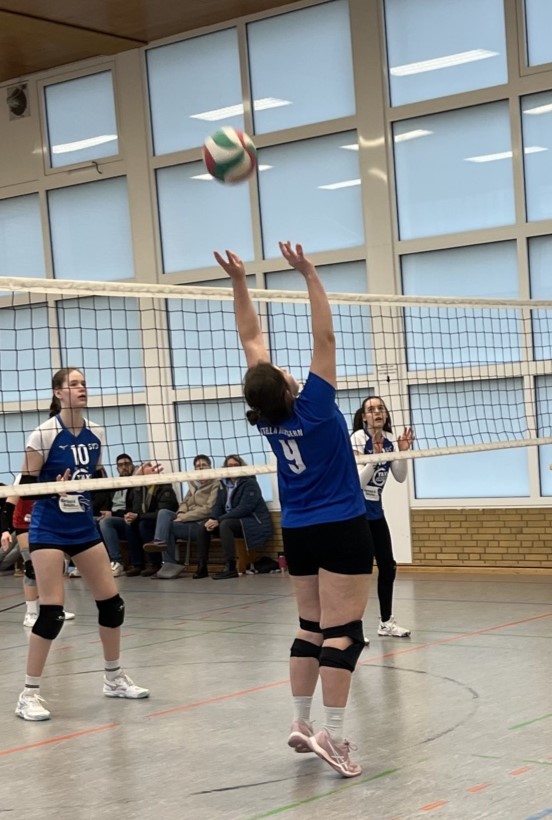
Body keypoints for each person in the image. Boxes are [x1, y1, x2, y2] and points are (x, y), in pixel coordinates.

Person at [214, 241, 372, 777]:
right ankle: (335, 735)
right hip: (342, 526)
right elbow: (324, 337)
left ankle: (302, 722)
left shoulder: (266, 416)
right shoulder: (317, 406)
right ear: (287, 385)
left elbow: (249, 337)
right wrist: (309, 274)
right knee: (344, 631)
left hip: (299, 529)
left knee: (310, 626)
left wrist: (239, 281)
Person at [14, 367, 149, 721]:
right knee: (51, 613)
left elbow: (97, 483)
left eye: (83, 384)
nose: (81, 389)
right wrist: (52, 489)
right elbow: (24, 488)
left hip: (82, 527)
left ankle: (113, 678)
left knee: (113, 605)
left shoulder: (96, 433)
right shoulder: (44, 434)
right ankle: (28, 694)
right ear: (58, 393)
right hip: (48, 529)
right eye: (73, 384)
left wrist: (137, 478)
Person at [350, 397, 414, 639]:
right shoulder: (357, 438)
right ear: (364, 416)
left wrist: (402, 452)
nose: (377, 412)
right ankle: (352, 628)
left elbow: (399, 476)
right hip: (355, 514)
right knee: (360, 570)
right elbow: (357, 483)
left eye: (380, 409)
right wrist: (374, 458)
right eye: (371, 409)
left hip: (376, 512)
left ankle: (386, 622)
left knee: (388, 565)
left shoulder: (389, 440)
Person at [1, 493, 75, 626]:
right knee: (32, 569)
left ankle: (56, 609)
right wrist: (5, 530)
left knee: (55, 567)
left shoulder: (51, 480)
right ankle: (31, 613)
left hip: (48, 524)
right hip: (25, 525)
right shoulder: (21, 481)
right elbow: (9, 506)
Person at [195, 454, 273, 580]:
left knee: (226, 525)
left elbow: (244, 508)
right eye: (230, 465)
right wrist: (213, 519)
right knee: (204, 525)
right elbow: (218, 505)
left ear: (241, 467)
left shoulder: (250, 483)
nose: (233, 468)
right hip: (230, 520)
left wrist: (219, 520)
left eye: (236, 465)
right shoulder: (223, 484)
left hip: (252, 522)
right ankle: (202, 567)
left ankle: (231, 567)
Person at [144, 454, 219, 579]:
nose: (200, 468)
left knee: (168, 527)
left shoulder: (216, 484)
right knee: (164, 513)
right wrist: (180, 513)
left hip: (200, 525)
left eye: (204, 465)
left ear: (210, 467)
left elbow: (208, 509)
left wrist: (183, 518)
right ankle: (159, 542)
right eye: (197, 466)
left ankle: (169, 564)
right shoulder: (193, 484)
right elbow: (184, 503)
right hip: (185, 520)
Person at [124, 461, 178, 577]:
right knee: (130, 525)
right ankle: (137, 564)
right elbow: (136, 509)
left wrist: (138, 516)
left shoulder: (165, 488)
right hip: (145, 519)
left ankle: (155, 563)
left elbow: (162, 513)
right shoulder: (139, 489)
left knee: (144, 524)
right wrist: (130, 516)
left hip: (161, 522)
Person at [97, 453, 141, 576]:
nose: (124, 467)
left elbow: (134, 509)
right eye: (120, 465)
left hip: (126, 519)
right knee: (91, 521)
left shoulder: (135, 484)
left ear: (132, 465)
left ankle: (117, 562)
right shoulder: (114, 485)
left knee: (106, 522)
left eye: (126, 464)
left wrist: (112, 514)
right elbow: (106, 505)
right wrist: (105, 512)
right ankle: (96, 563)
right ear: (117, 469)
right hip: (113, 519)